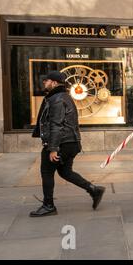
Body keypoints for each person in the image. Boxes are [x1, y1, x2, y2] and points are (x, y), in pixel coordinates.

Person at [30, 71, 105, 217]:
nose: (44, 83)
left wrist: (53, 148)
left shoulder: (57, 99)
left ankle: (48, 205)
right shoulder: (61, 96)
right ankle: (94, 190)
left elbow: (56, 125)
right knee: (65, 172)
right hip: (70, 142)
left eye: (47, 80)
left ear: (54, 82)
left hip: (61, 143)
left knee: (46, 172)